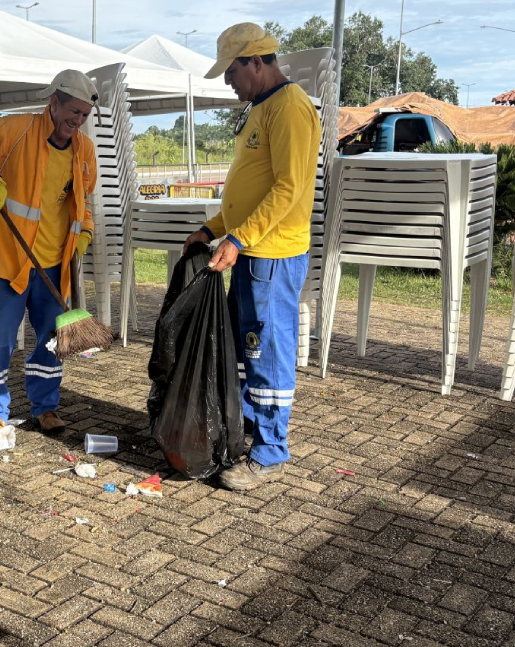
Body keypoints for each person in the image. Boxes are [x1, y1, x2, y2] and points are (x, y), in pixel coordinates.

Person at [183, 23, 321, 490]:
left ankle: (270, 450)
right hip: (249, 249)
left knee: (268, 348)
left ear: (257, 62)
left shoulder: (290, 108)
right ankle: (243, 434)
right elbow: (249, 190)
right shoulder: (259, 108)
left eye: (232, 71)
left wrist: (239, 240)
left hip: (272, 254)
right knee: (246, 351)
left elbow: (288, 188)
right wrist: (213, 228)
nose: (228, 82)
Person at [0, 70, 99, 438]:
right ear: (54, 103)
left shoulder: (84, 149)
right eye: (73, 112)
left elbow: (84, 202)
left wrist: (85, 232)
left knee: (53, 340)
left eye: (84, 115)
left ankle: (46, 407)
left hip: (55, 264)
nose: (77, 121)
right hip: (9, 258)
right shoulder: (17, 129)